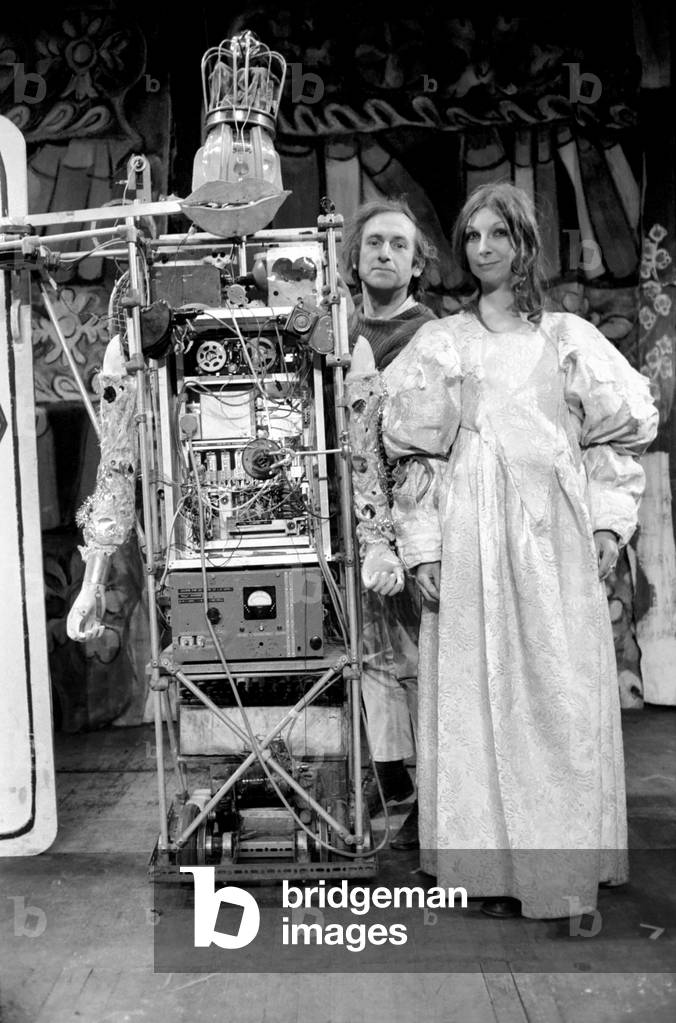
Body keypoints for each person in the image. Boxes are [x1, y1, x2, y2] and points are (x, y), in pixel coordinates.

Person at [349, 182, 658, 917]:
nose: (484, 249)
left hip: (554, 532)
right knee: (477, 691)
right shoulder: (444, 341)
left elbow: (619, 434)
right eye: (474, 237)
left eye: (499, 235)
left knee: (557, 690)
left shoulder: (569, 339)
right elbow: (415, 454)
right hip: (472, 529)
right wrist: (421, 546)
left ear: (525, 243)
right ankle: (486, 863)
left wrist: (612, 523)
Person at [342, 197, 437, 850]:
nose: (384, 253)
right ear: (353, 257)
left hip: (412, 518)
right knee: (365, 652)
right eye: (374, 242)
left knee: (416, 652)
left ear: (416, 262)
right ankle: (389, 773)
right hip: (347, 516)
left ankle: (431, 782)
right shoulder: (335, 331)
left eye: (398, 245)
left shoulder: (432, 336)